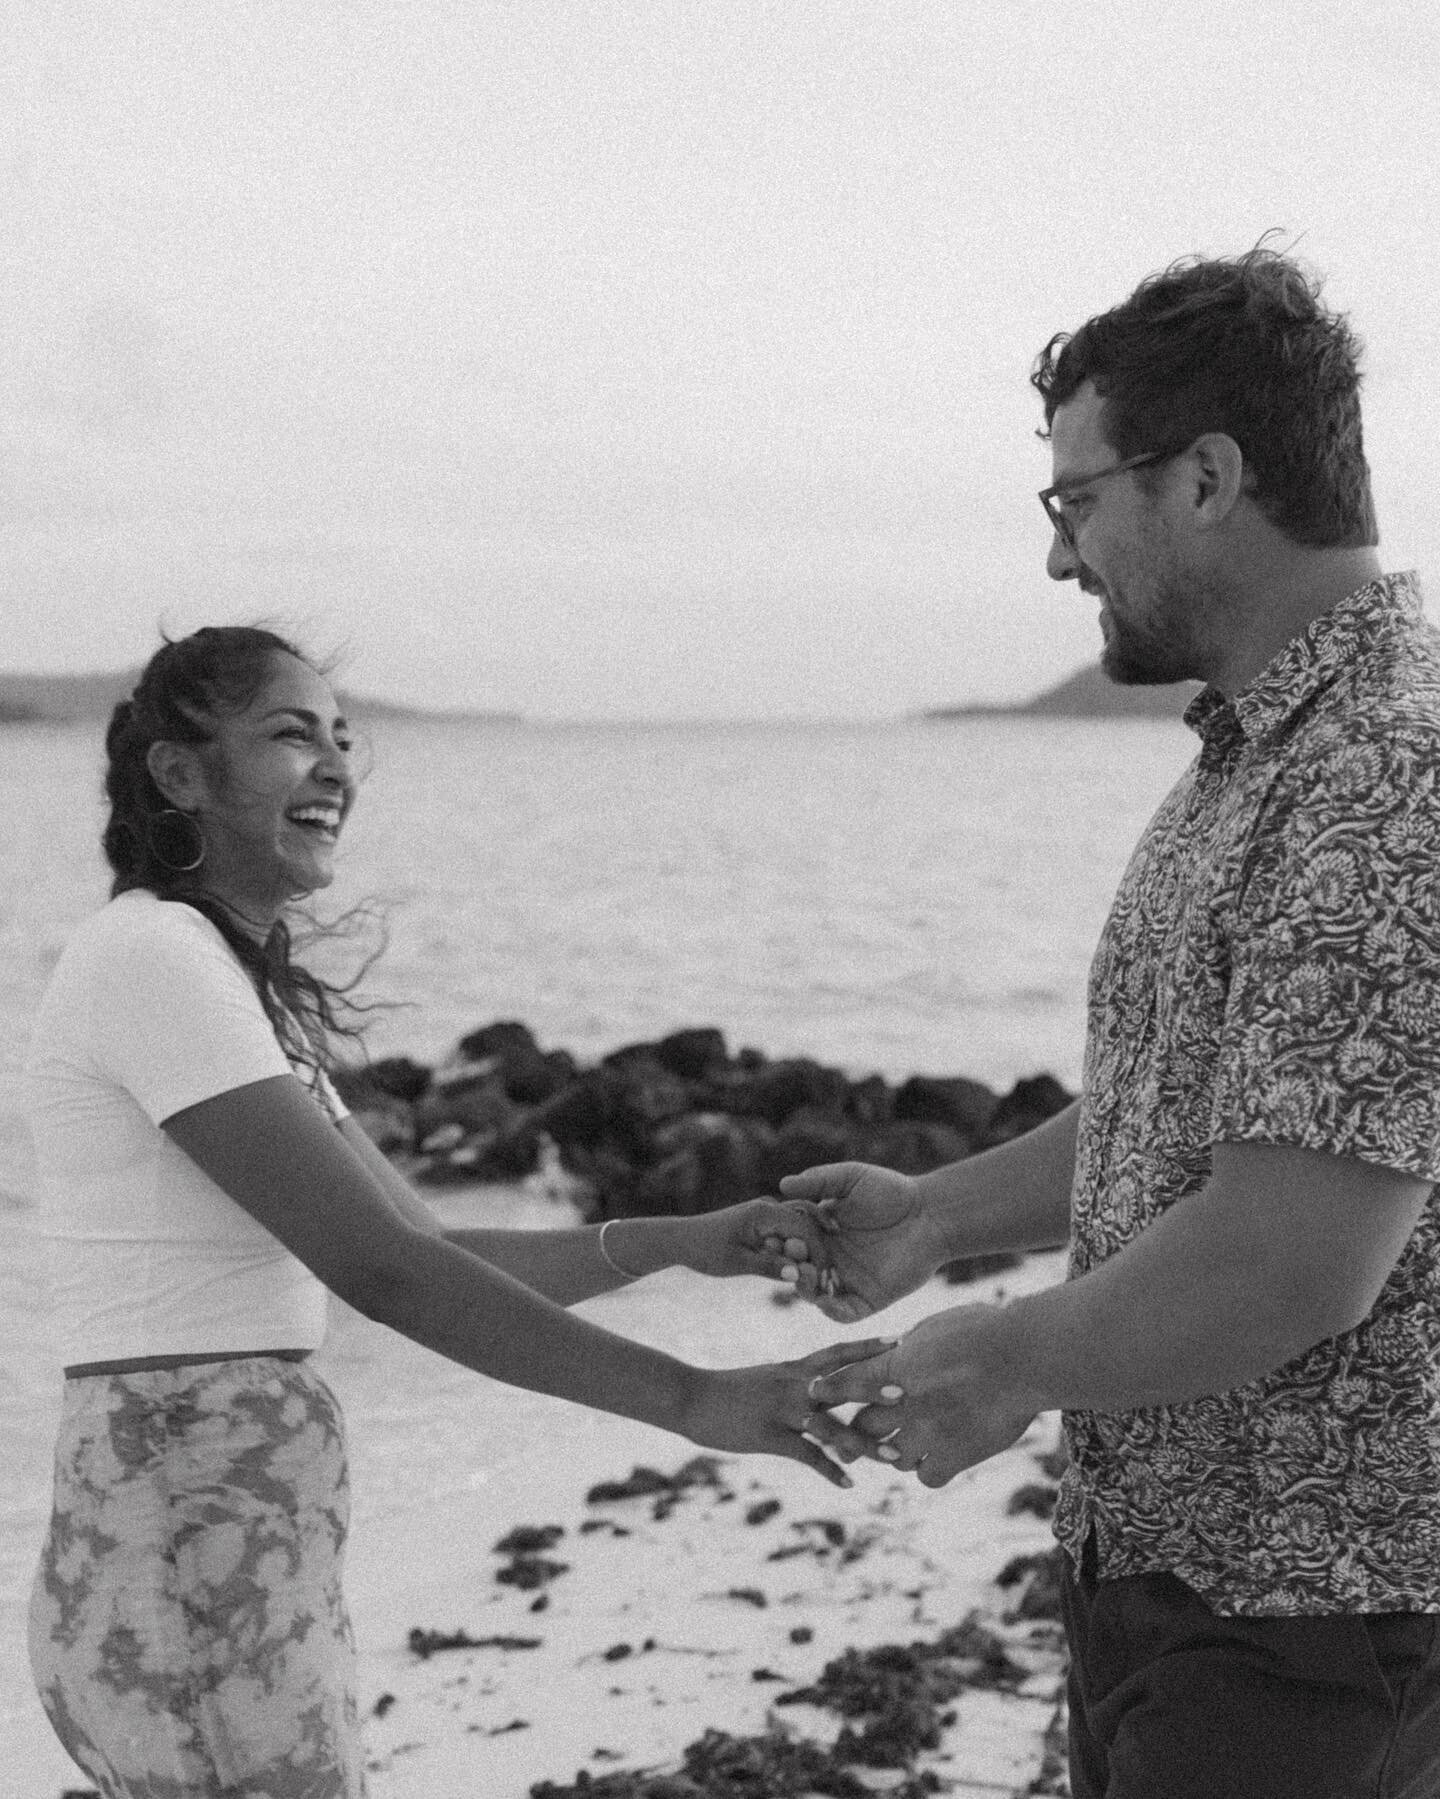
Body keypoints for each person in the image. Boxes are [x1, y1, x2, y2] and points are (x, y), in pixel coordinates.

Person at [779, 248, 1440, 1796]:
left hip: (1311, 1611)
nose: (1062, 562)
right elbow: (1193, 1115)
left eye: (1076, 504)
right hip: (1177, 1581)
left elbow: (1288, 1258)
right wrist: (943, 1216)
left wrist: (1007, 1362)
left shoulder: (1385, 778)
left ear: (1205, 477)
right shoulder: (1256, 756)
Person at [23, 625, 892, 1799]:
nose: (334, 764)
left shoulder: (217, 982)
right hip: (182, 1514)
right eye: (291, 734)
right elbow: (385, 1274)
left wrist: (681, 1246)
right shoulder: (153, 956)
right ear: (180, 773)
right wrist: (695, 1397)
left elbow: (430, 1251)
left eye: (342, 736)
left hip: (216, 1512)